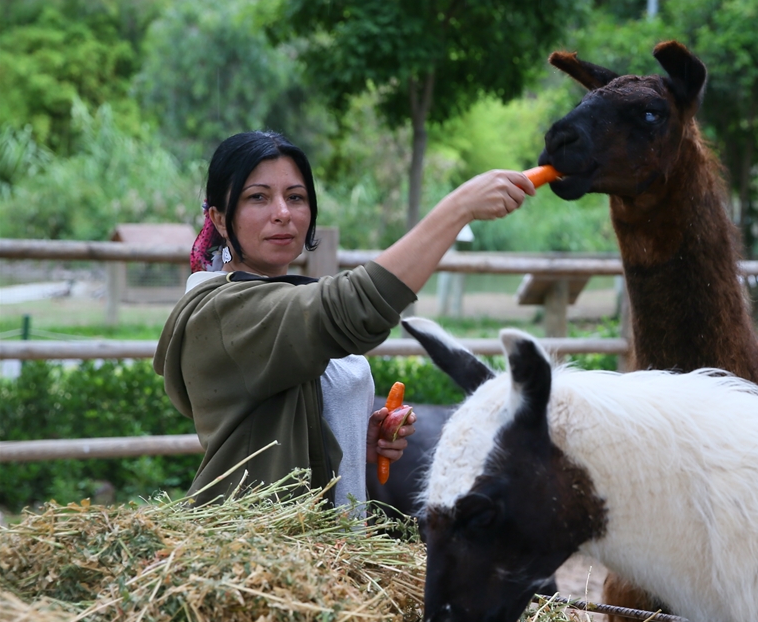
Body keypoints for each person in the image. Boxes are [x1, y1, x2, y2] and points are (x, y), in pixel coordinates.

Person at [154, 130, 535, 509]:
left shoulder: (286, 294)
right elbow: (354, 308)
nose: (283, 213)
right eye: (258, 197)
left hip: (324, 551)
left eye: (296, 197)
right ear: (220, 220)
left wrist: (348, 440)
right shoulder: (225, 310)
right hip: (262, 554)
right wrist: (458, 209)